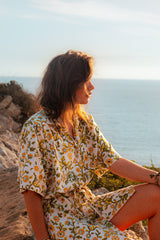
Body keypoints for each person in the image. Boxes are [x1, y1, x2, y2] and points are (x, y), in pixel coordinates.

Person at [18, 50, 160, 240]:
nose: (92, 87)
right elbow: (31, 193)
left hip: (89, 206)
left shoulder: (83, 122)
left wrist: (157, 178)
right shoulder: (35, 128)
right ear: (69, 85)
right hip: (61, 220)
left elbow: (114, 161)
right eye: (86, 81)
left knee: (157, 193)